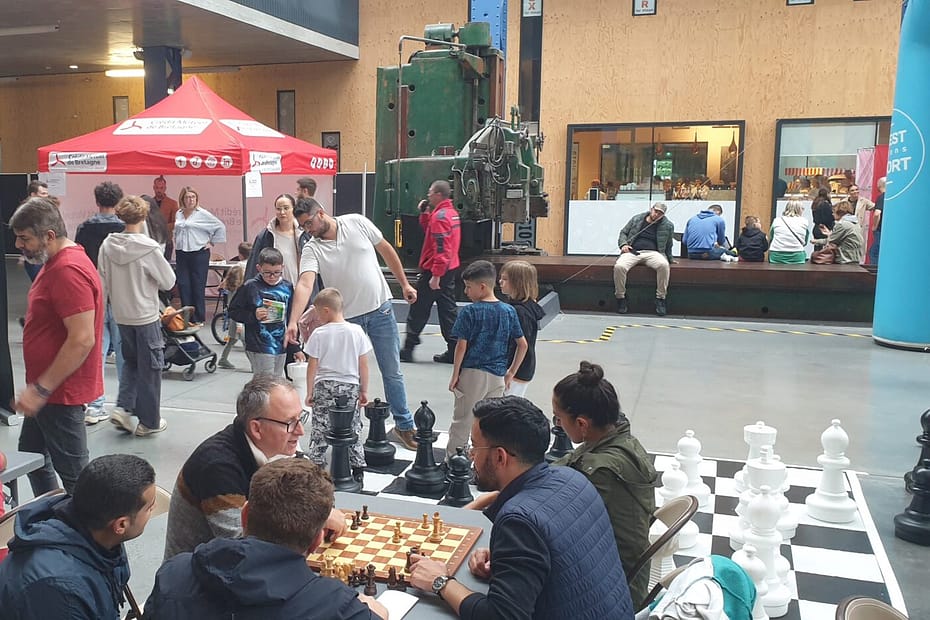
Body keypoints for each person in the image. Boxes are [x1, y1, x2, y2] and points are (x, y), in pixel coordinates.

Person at [408, 396, 634, 620]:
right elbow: (560, 554)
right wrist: (508, 561)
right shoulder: (573, 478)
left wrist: (441, 582)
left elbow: (502, 617)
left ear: (499, 457)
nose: (471, 456)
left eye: (475, 446)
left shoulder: (519, 521)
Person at [144, 458, 387, 619]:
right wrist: (374, 609)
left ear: (245, 515)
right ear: (317, 541)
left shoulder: (174, 574)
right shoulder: (335, 606)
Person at [285, 199, 420, 451]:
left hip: (381, 309)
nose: (308, 230)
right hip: (348, 321)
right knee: (349, 378)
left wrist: (404, 284)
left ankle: (404, 424)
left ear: (321, 213)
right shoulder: (312, 248)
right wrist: (293, 319)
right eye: (303, 227)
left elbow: (386, 249)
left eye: (309, 223)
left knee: (392, 371)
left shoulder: (356, 221)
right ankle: (349, 431)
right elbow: (305, 283)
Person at [163, 375, 346, 559]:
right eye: (290, 423)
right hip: (200, 580)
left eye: (301, 418)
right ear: (257, 429)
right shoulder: (218, 467)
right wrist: (315, 518)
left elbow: (314, 491)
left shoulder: (272, 447)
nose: (300, 431)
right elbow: (242, 547)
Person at [12, 197, 102, 495]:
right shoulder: (59, 263)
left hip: (59, 394)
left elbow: (82, 338)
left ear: (49, 235)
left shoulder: (67, 270)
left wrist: (40, 389)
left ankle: (99, 543)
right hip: (49, 393)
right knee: (32, 455)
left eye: (25, 238)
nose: (19, 245)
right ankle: (50, 523)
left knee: (79, 483)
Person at [551, 361, 658, 609]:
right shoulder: (616, 437)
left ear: (581, 424)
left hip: (614, 590)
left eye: (558, 417)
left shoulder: (601, 471)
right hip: (617, 566)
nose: (557, 423)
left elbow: (557, 521)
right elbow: (568, 463)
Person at [0, 454, 156, 620]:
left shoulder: (101, 533)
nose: (153, 510)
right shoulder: (58, 590)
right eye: (149, 507)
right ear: (121, 525)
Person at [98, 195, 176, 437]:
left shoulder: (107, 245)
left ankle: (123, 406)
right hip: (145, 315)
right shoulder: (149, 248)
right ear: (144, 216)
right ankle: (149, 421)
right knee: (151, 368)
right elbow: (168, 281)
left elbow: (101, 283)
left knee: (130, 363)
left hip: (121, 315)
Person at [448, 260, 527, 459]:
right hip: (498, 375)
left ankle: (453, 463)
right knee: (491, 425)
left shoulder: (469, 312)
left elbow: (461, 346)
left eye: (468, 287)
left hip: (473, 373)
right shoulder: (509, 311)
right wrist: (510, 373)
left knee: (463, 421)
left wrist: (455, 374)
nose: (466, 291)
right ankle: (487, 464)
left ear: (482, 287)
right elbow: (522, 344)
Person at [304, 287, 372, 478]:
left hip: (324, 384)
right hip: (350, 385)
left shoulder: (319, 333)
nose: (317, 317)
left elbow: (312, 366)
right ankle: (358, 466)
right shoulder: (357, 331)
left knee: (320, 425)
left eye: (317, 313)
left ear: (326, 310)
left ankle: (316, 463)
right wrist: (364, 389)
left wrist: (309, 392)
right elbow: (363, 364)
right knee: (352, 424)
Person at [75, 181, 126, 425]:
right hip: (119, 294)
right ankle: (125, 405)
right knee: (123, 349)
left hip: (93, 294)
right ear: (118, 201)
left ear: (97, 201)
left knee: (97, 350)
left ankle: (95, 405)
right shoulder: (124, 228)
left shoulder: (84, 228)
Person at [401, 179, 461, 364]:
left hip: (436, 270)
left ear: (437, 194)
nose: (427, 195)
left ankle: (408, 348)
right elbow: (432, 232)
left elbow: (441, 248)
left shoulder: (440, 217)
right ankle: (454, 348)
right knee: (447, 310)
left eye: (430, 192)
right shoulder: (450, 214)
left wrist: (435, 275)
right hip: (450, 268)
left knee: (419, 309)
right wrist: (425, 213)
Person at [228, 247, 303, 378]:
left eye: (277, 272)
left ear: (282, 268)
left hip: (281, 344)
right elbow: (233, 311)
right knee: (265, 383)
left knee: (276, 381)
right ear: (259, 268)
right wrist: (253, 315)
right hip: (259, 344)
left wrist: (294, 348)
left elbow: (291, 318)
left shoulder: (287, 287)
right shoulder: (250, 286)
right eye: (267, 273)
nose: (272, 277)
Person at [174, 186, 226, 324]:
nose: (190, 200)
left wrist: (211, 242)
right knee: (184, 284)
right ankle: (187, 316)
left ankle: (198, 318)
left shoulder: (202, 214)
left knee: (197, 285)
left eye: (193, 197)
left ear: (196, 199)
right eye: (187, 197)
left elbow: (220, 226)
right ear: (182, 199)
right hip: (182, 252)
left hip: (198, 253)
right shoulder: (179, 213)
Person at [613, 202, 675, 316]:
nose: (657, 214)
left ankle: (660, 298)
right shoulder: (637, 219)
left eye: (660, 213)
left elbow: (669, 245)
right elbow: (623, 232)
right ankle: (621, 297)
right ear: (651, 209)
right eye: (656, 211)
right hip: (633, 251)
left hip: (653, 253)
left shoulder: (668, 225)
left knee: (664, 265)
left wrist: (670, 259)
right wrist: (623, 245)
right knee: (619, 266)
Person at [499, 260, 544, 398]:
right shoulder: (527, 305)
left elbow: (522, 345)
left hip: (517, 370)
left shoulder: (520, 312)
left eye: (505, 279)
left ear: (517, 283)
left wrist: (511, 372)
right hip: (522, 367)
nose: (500, 281)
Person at [246, 193, 304, 286]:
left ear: (294, 209)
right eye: (278, 209)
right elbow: (253, 265)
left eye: (286, 208)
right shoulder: (265, 236)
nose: (282, 212)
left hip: (299, 287)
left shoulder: (303, 235)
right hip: (272, 290)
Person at [217, 242, 251, 370]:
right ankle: (253, 364)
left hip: (233, 313)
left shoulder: (236, 267)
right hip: (239, 315)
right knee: (245, 340)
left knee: (232, 339)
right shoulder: (249, 267)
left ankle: (223, 359)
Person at [816, 200, 864, 264]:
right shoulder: (854, 223)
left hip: (845, 258)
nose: (832, 214)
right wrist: (829, 233)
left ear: (840, 212)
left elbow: (831, 241)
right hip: (855, 257)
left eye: (834, 212)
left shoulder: (842, 224)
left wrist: (816, 241)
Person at [153, 175, 179, 259]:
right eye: (157, 188)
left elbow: (176, 222)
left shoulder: (172, 203)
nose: (159, 190)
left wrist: (162, 227)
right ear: (154, 188)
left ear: (165, 188)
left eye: (161, 188)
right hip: (152, 240)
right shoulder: (149, 203)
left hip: (166, 240)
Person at [847, 184, 875, 251]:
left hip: (858, 227)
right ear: (848, 192)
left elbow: (874, 206)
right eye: (852, 190)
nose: (855, 191)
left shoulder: (863, 201)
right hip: (847, 228)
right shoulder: (844, 201)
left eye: (856, 189)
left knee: (858, 248)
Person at [869, 176, 885, 265]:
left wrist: (874, 226)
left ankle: (875, 275)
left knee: (874, 252)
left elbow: (877, 213)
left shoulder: (881, 197)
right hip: (888, 229)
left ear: (879, 185)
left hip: (880, 229)